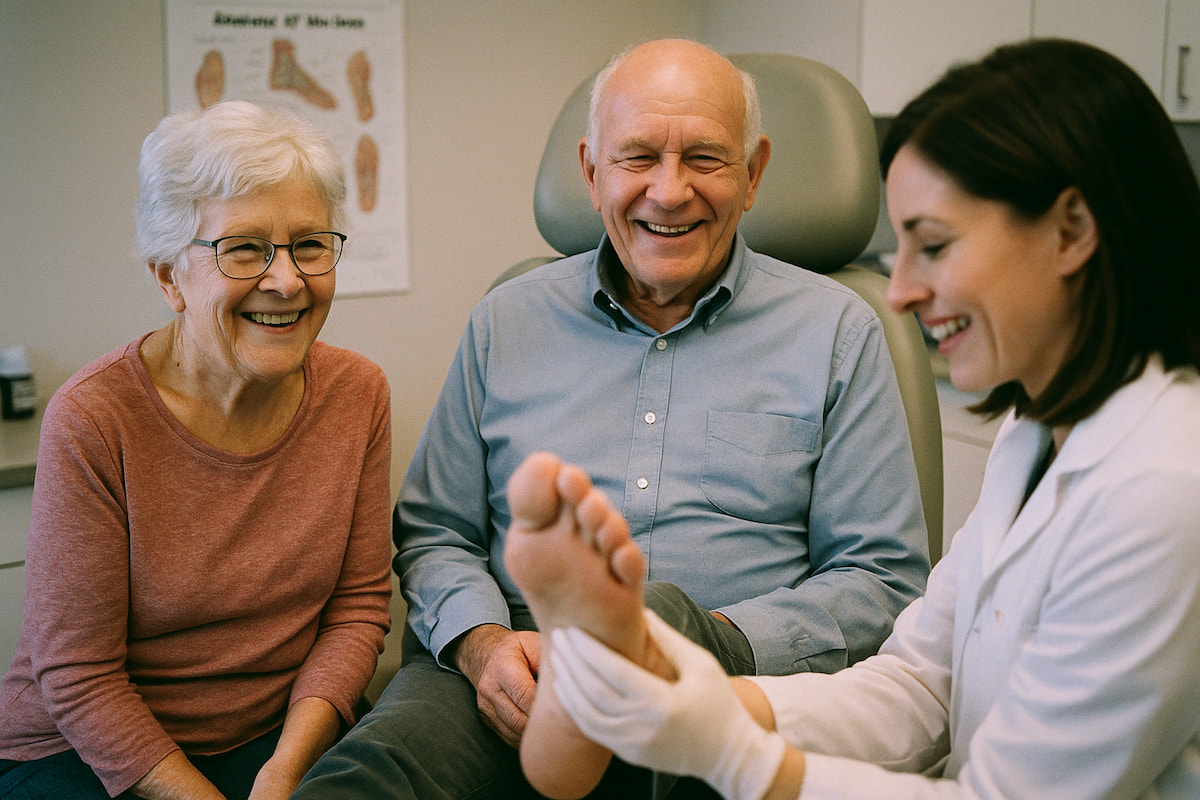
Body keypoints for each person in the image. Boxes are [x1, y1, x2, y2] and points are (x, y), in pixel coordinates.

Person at [515, 37, 1200, 800]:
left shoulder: (1165, 490)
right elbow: (921, 686)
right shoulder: (1035, 435)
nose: (899, 290)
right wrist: (703, 702)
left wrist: (737, 754)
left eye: (933, 245)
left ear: (1072, 231)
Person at [294, 38, 929, 800]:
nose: (669, 191)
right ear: (592, 172)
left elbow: (880, 578)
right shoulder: (507, 322)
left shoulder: (839, 331)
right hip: (511, 670)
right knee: (363, 783)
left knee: (656, 621)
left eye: (705, 158)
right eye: (637, 158)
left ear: (754, 173)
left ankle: (638, 644)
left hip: (718, 679)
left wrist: (698, 643)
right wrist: (483, 646)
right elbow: (437, 533)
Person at [0, 101, 393, 800]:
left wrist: (287, 769)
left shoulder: (357, 393)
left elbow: (356, 608)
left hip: (279, 735)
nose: (286, 280)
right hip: (85, 753)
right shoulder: (94, 418)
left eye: (309, 244)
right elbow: (78, 674)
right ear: (168, 278)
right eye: (243, 248)